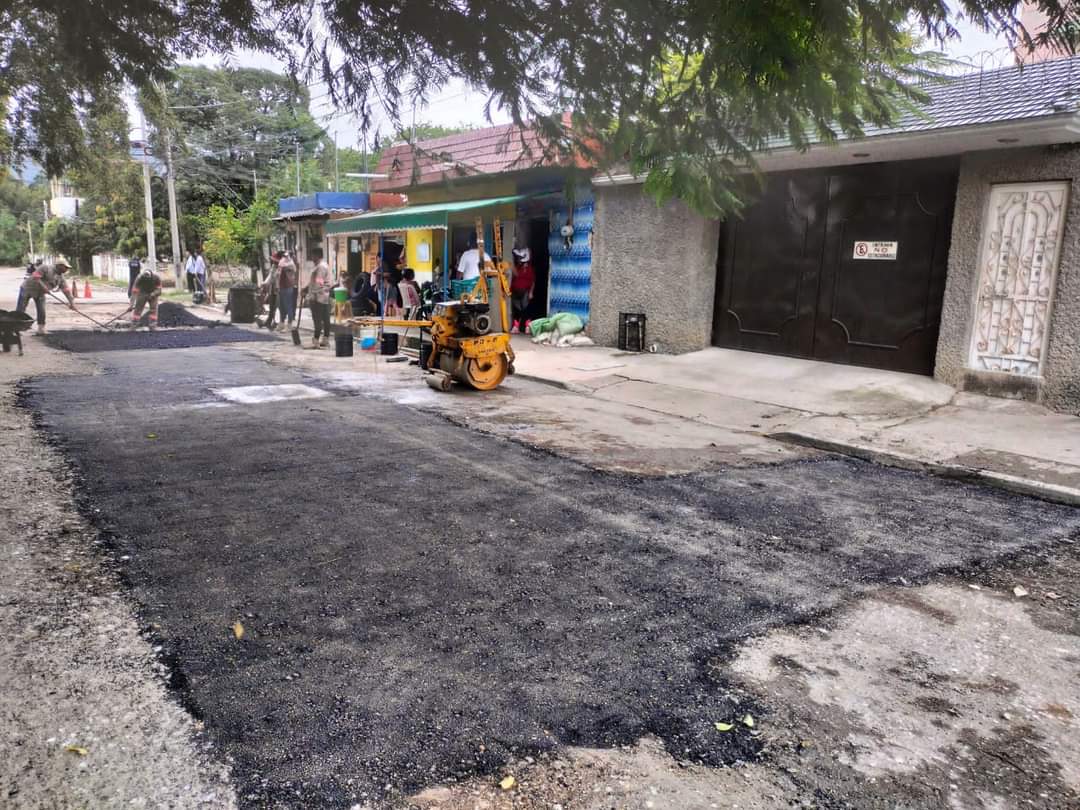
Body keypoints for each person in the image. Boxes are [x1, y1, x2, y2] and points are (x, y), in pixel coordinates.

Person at [17, 257, 74, 335]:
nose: (67, 269)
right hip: (28, 288)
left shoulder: (61, 278)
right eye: (66, 267)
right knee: (21, 308)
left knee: (41, 310)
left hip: (40, 293)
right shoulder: (45, 268)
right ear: (59, 266)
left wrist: (71, 303)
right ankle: (16, 328)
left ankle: (41, 329)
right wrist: (44, 287)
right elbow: (36, 277)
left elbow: (66, 291)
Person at [306, 247, 332, 348]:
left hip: (318, 297)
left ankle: (316, 340)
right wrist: (306, 288)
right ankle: (325, 339)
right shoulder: (324, 265)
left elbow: (319, 283)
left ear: (316, 256)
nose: (312, 258)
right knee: (326, 319)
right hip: (324, 296)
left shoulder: (320, 267)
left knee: (317, 319)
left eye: (312, 256)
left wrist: (312, 294)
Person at [129, 263, 162, 330]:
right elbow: (134, 292)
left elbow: (159, 290)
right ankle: (134, 326)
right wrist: (131, 305)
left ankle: (152, 326)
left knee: (153, 310)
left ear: (151, 276)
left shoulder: (157, 277)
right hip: (142, 293)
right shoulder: (139, 278)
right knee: (137, 310)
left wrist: (153, 294)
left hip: (153, 293)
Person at [510, 246, 535, 334]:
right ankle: (516, 327)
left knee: (525, 309)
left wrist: (531, 293)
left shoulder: (529, 269)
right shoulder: (519, 266)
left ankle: (527, 326)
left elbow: (532, 282)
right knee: (517, 309)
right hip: (515, 291)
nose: (518, 259)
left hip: (525, 291)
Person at [259, 251, 282, 330]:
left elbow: (279, 278)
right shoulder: (274, 267)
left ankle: (278, 323)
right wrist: (264, 283)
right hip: (273, 289)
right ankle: (269, 321)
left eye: (276, 260)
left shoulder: (283, 267)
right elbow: (270, 276)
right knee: (272, 306)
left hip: (280, 289)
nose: (274, 261)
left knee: (279, 307)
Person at [276, 250, 297, 331]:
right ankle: (281, 323)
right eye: (284, 256)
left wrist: (280, 266)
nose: (284, 258)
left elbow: (286, 268)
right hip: (281, 287)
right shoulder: (282, 263)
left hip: (288, 287)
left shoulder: (291, 264)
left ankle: (289, 324)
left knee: (288, 306)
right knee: (282, 306)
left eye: (286, 256)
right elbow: (278, 274)